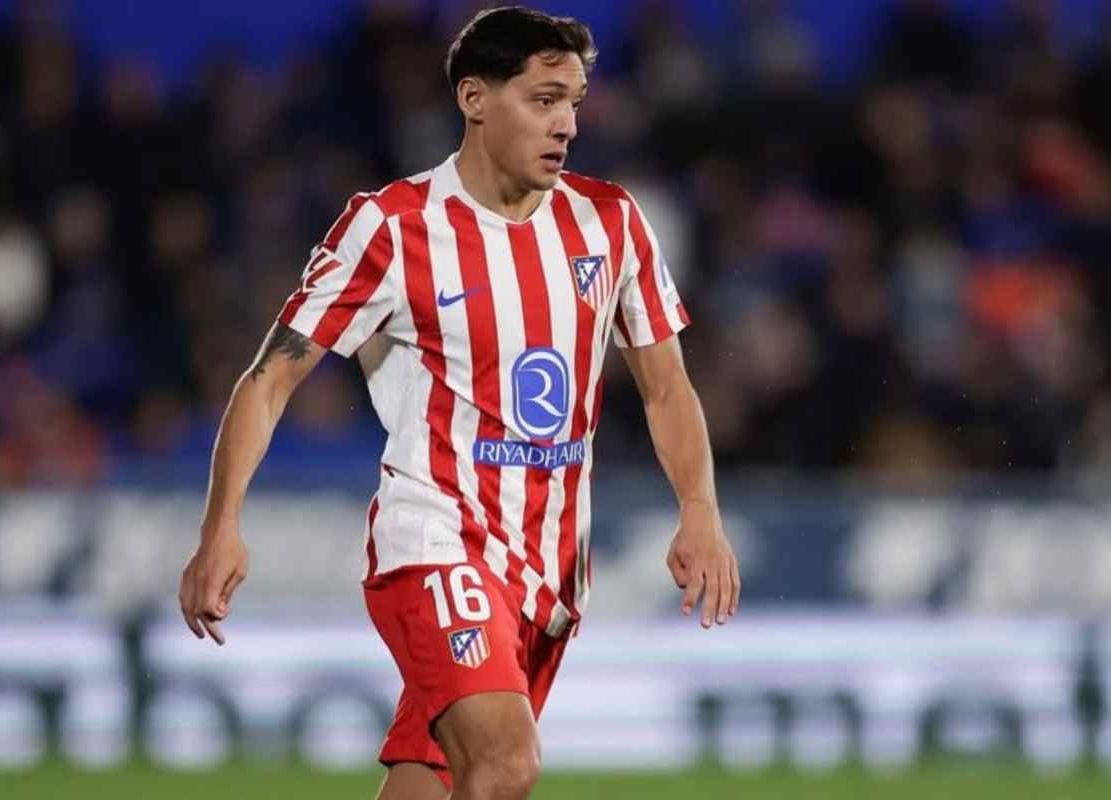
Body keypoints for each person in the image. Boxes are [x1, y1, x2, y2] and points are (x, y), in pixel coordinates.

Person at [178, 6, 740, 799]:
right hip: (433, 539)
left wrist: (700, 509)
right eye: (544, 99)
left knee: (438, 781)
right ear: (475, 98)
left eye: (574, 102)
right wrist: (221, 525)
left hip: (548, 566)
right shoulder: (392, 226)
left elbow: (668, 387)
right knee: (506, 762)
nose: (568, 124)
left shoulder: (610, 222)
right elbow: (268, 379)